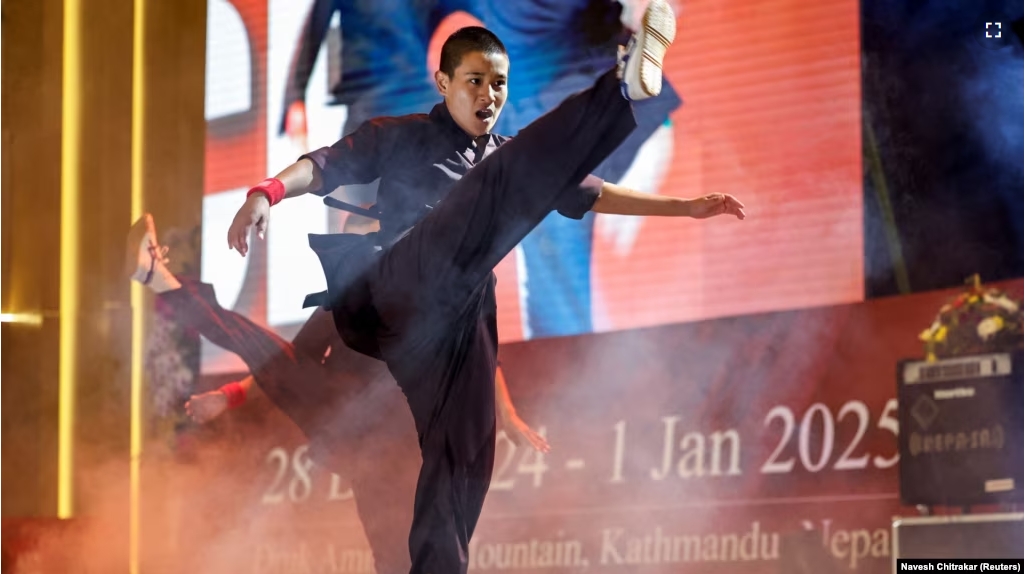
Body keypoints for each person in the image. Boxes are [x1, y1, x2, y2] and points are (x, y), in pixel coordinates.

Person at [227, 4, 745, 571]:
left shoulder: (505, 156)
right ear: (444, 83)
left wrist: (688, 208)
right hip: (400, 284)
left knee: (465, 457)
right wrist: (266, 192)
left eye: (499, 83)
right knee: (499, 180)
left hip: (459, 314)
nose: (489, 94)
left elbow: (589, 192)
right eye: (475, 81)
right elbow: (322, 166)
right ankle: (621, 90)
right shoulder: (401, 136)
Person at [127, 213, 548, 574]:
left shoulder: (432, 292)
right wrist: (231, 394)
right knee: (397, 552)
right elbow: (284, 363)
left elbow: (482, 360)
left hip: (405, 447)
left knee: (401, 557)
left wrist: (507, 417)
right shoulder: (345, 300)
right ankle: (158, 279)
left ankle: (159, 280)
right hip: (350, 428)